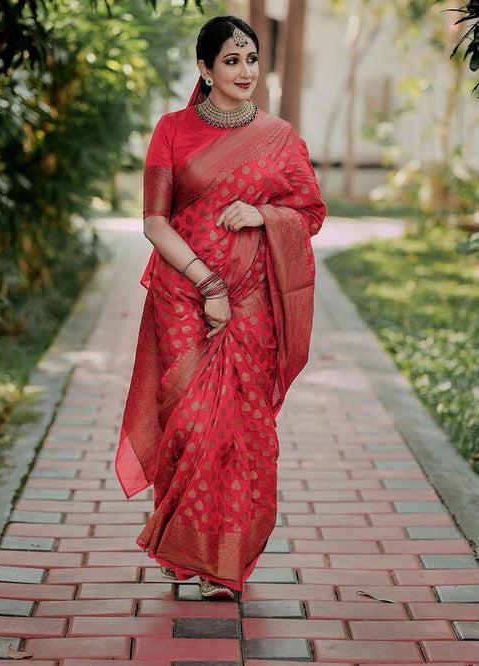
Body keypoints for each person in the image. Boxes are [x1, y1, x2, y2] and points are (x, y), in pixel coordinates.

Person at [115, 15, 326, 599]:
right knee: (187, 420)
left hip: (254, 295)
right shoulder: (171, 131)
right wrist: (207, 283)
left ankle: (222, 564)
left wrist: (264, 215)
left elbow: (308, 211)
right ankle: (183, 541)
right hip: (183, 290)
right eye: (231, 61)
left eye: (251, 59)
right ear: (205, 70)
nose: (245, 71)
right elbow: (154, 221)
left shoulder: (280, 137)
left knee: (238, 425)